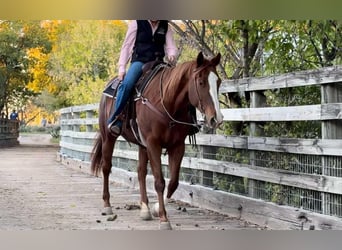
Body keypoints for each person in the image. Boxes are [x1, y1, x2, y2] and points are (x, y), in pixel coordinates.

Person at [107, 20, 178, 135]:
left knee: (179, 83)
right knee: (127, 85)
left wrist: (172, 55)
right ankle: (116, 118)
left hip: (159, 63)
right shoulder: (137, 23)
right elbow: (127, 46)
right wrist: (122, 68)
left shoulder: (166, 26)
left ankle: (187, 122)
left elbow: (171, 46)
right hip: (140, 62)